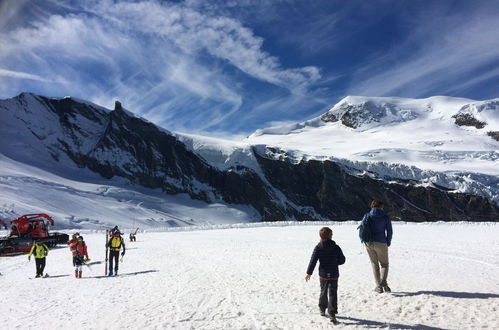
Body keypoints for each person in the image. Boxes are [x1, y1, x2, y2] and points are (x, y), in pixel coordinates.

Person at [305, 227, 346, 324]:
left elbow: (313, 260)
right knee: (332, 293)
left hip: (323, 274)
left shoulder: (318, 247)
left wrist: (309, 273)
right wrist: (336, 262)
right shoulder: (336, 247)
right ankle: (332, 313)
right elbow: (342, 260)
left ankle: (322, 309)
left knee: (323, 291)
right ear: (329, 236)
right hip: (334, 274)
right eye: (331, 234)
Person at [360, 199, 393, 293]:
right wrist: (388, 242)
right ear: (381, 206)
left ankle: (378, 287)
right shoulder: (385, 217)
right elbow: (389, 231)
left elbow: (362, 229)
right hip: (381, 242)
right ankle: (383, 282)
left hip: (368, 242)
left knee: (374, 264)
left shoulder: (367, 215)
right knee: (384, 264)